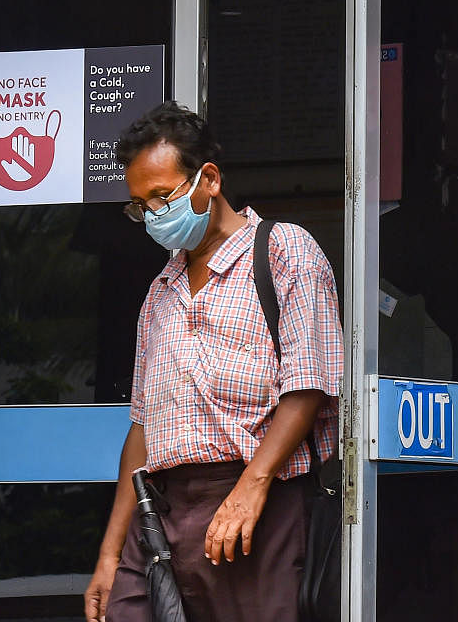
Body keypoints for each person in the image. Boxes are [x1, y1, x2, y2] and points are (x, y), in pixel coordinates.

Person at [83, 102, 343, 622]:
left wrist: (252, 489)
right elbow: (142, 428)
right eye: (141, 206)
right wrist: (110, 556)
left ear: (209, 178)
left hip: (257, 505)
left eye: (163, 196)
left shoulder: (283, 251)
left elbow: (308, 385)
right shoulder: (160, 293)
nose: (154, 215)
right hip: (162, 512)